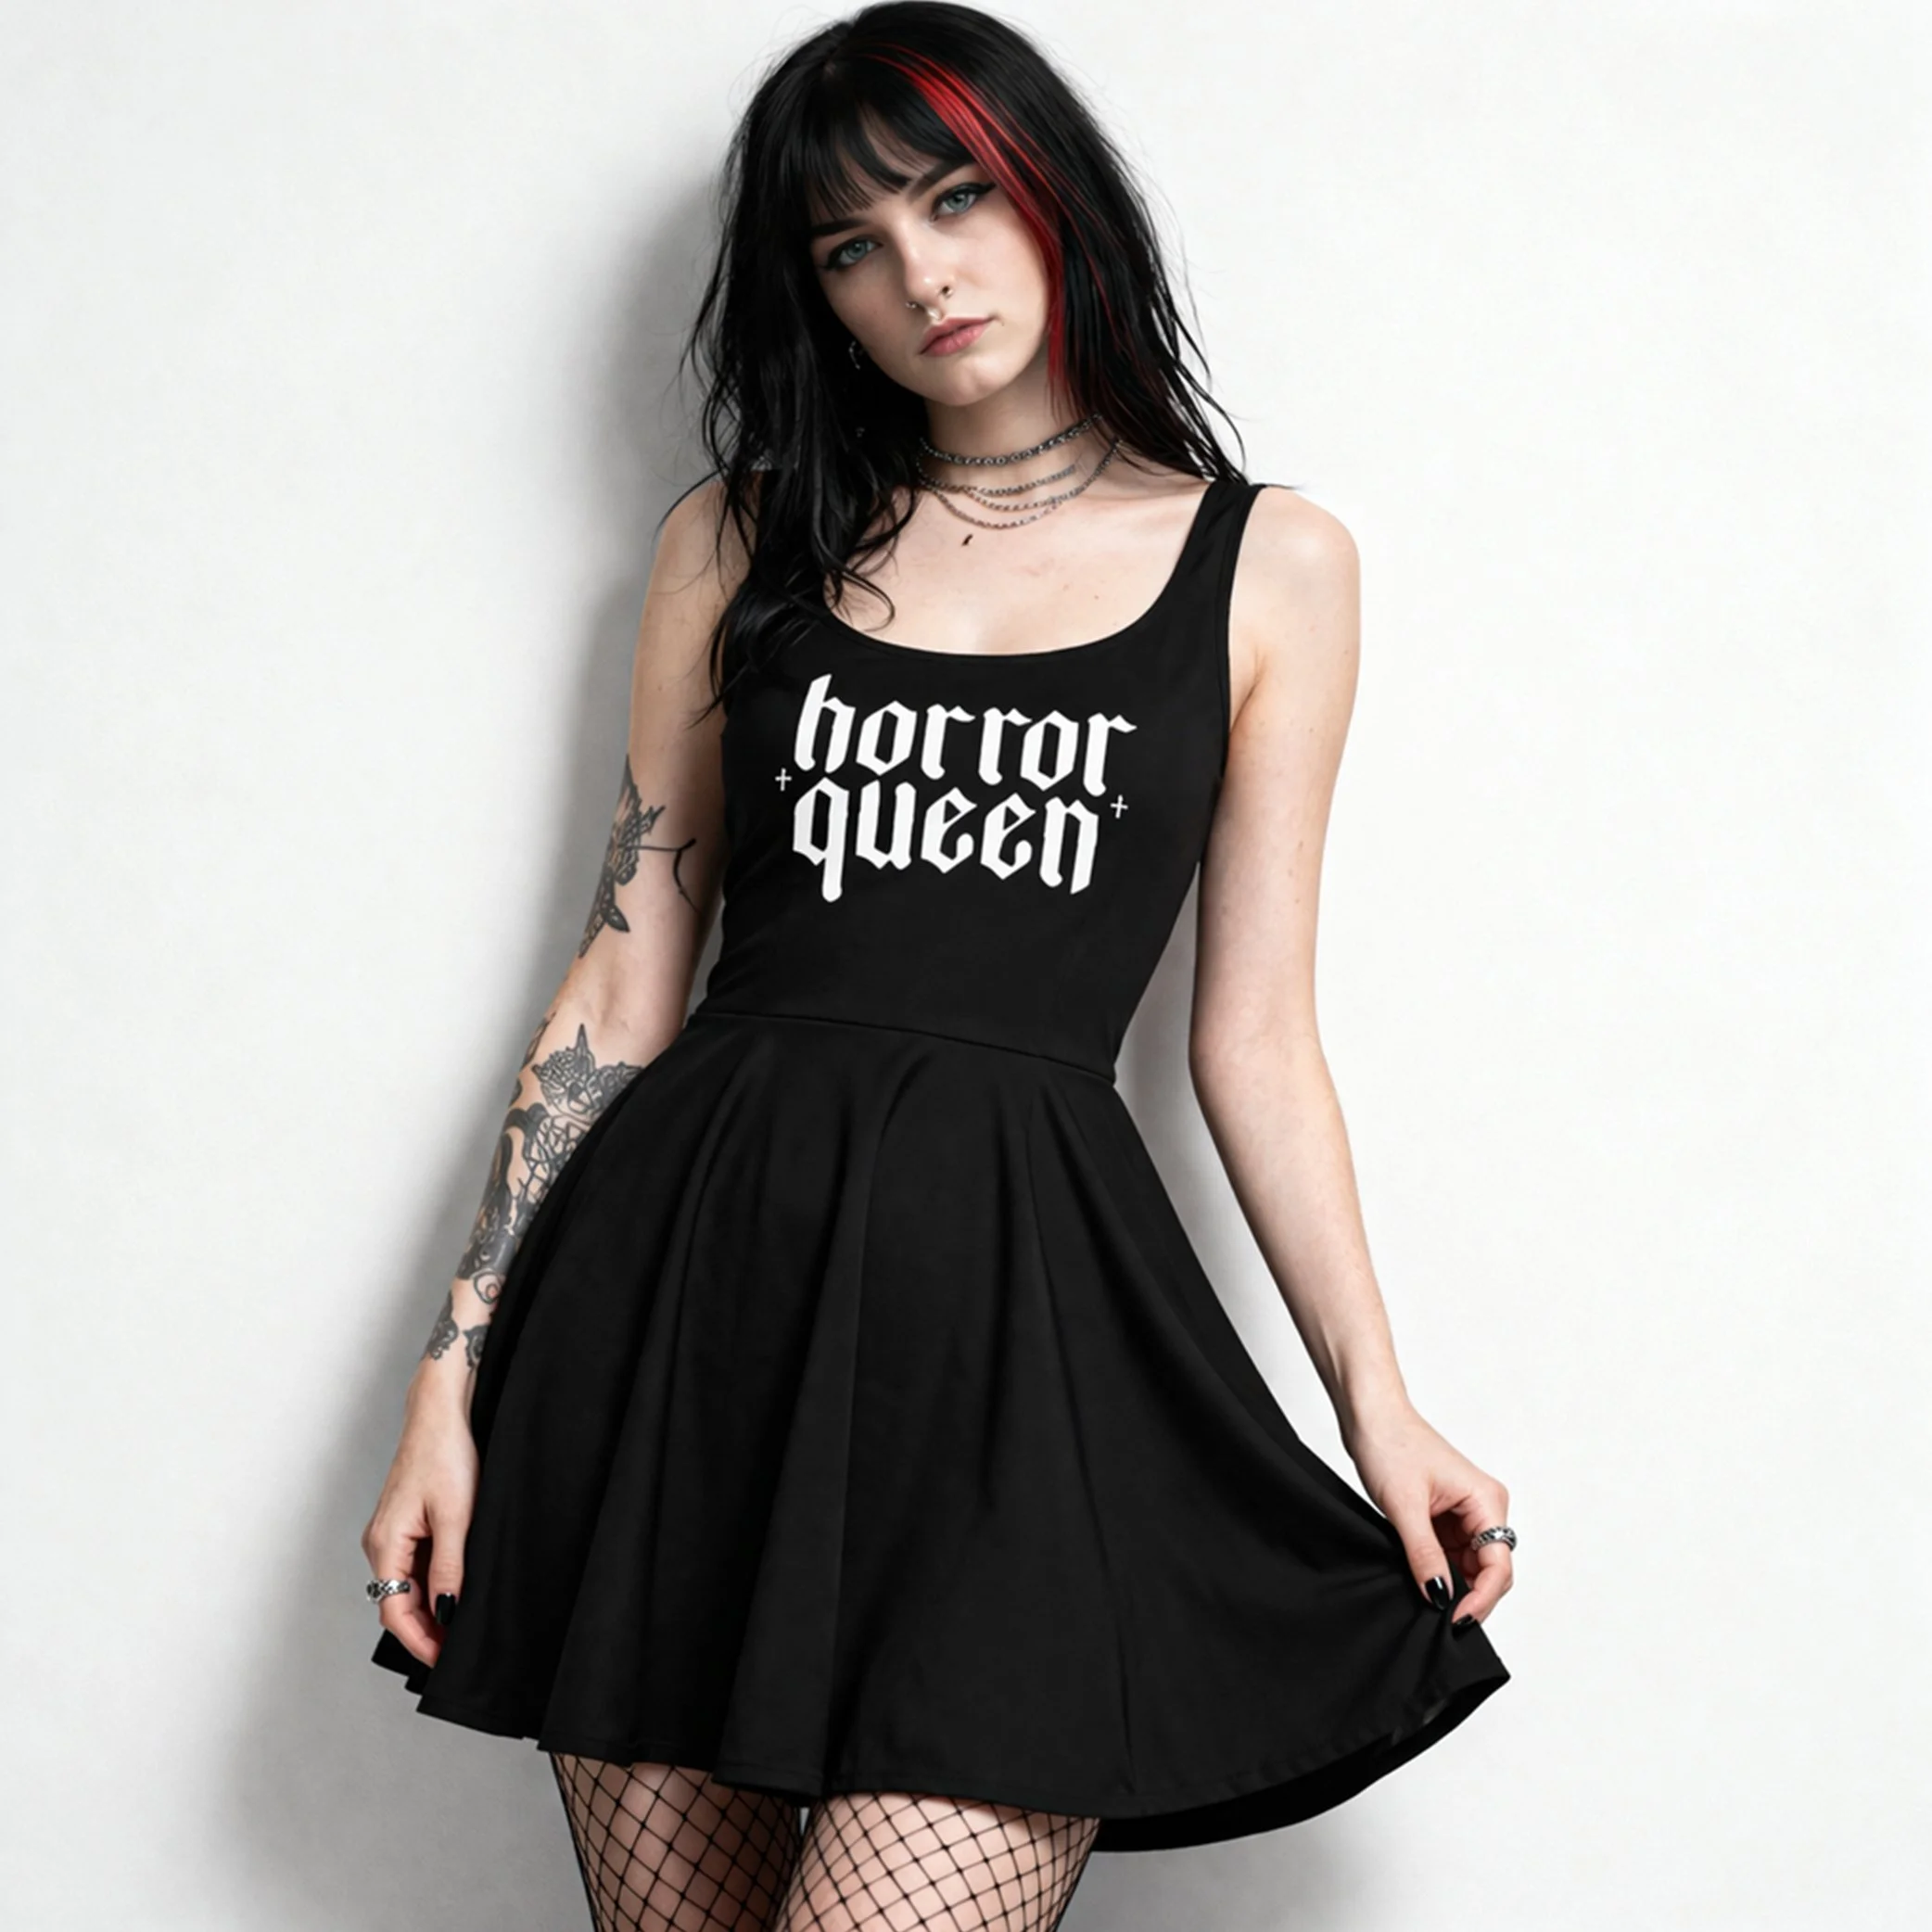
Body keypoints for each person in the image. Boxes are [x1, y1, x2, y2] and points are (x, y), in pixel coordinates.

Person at [362, 6, 1515, 1926]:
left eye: (956, 197)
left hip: (1014, 1363)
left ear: (1052, 193)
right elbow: (623, 982)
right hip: (685, 1322)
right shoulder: (741, 539)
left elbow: (1251, 1041)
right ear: (813, 295)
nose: (920, 274)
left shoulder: (1270, 566)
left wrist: (1373, 1402)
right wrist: (446, 1384)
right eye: (851, 244)